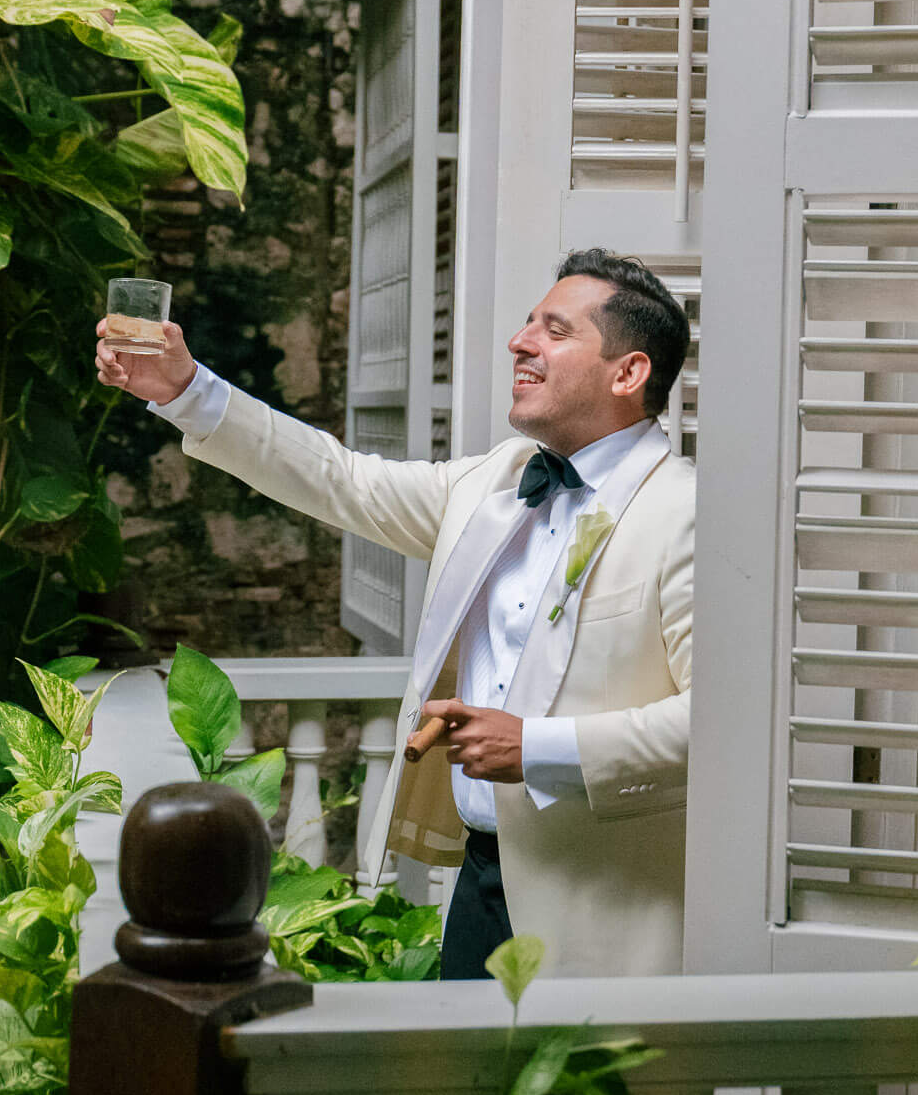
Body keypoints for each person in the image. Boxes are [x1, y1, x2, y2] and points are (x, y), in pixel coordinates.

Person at [95, 247, 695, 982]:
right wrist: (186, 390)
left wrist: (539, 746)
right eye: (527, 322)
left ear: (627, 373)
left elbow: (720, 723)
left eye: (555, 330)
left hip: (606, 902)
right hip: (479, 880)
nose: (520, 341)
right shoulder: (495, 481)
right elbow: (338, 480)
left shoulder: (689, 511)